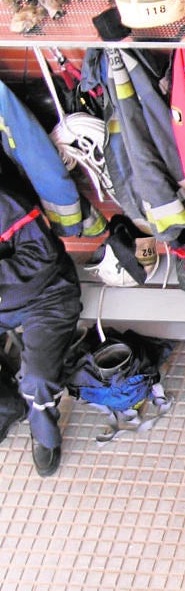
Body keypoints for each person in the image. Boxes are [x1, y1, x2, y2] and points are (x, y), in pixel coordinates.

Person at [0, 182, 82, 476]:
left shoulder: (5, 201)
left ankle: (44, 434)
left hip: (48, 295)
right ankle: (7, 405)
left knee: (37, 379)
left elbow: (42, 254)